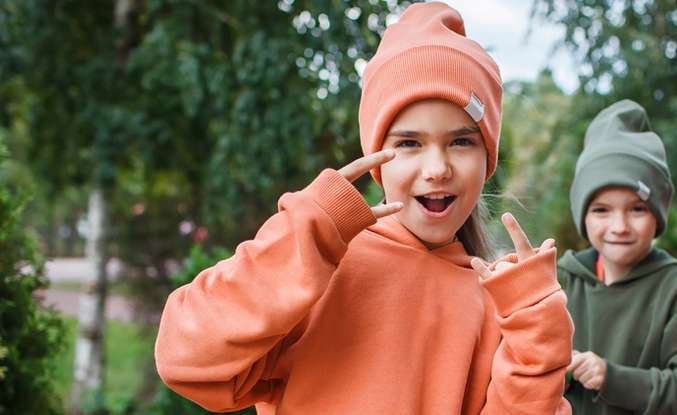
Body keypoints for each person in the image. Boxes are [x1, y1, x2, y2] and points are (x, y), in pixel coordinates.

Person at [154, 3, 573, 414]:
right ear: (375, 159)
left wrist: (536, 338)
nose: (437, 168)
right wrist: (308, 234)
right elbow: (186, 359)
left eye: (461, 141)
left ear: (488, 160)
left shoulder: (498, 305)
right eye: (409, 143)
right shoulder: (317, 264)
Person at [558, 99, 677, 414]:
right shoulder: (557, 284)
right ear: (582, 216)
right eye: (601, 210)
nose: (619, 227)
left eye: (637, 209)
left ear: (658, 214)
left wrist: (611, 378)